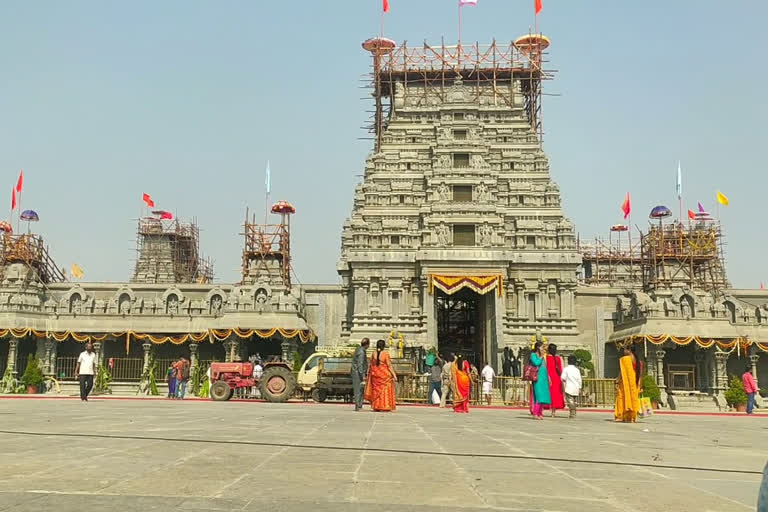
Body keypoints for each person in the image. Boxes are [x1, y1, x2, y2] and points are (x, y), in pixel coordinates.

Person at [364, 339, 396, 412]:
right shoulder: (385, 354)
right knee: (384, 390)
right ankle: (384, 405)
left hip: (375, 375)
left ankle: (376, 405)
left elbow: (371, 363)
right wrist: (394, 375)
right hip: (384, 375)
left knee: (376, 390)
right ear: (384, 346)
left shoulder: (373, 353)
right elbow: (389, 365)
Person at [614, 344, 641, 422]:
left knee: (622, 397)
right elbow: (640, 373)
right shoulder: (637, 360)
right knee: (633, 399)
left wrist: (617, 380)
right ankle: (631, 417)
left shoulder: (626, 359)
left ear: (629, 350)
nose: (624, 351)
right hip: (635, 382)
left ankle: (621, 415)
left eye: (625, 349)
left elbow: (622, 372)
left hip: (626, 382)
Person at [529, 341, 550, 420]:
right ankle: (535, 413)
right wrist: (541, 357)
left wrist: (548, 377)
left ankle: (540, 412)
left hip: (544, 378)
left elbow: (545, 367)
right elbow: (536, 363)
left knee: (543, 396)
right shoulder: (533, 355)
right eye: (542, 347)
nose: (543, 348)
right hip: (537, 378)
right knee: (538, 396)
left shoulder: (543, 357)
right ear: (538, 347)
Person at [546, 344, 565, 417]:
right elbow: (561, 369)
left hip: (550, 378)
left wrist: (548, 377)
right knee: (556, 395)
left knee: (550, 395)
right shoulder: (558, 358)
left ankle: (549, 409)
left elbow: (546, 369)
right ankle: (553, 411)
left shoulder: (546, 358)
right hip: (557, 378)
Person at [351, 338, 370, 411]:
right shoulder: (361, 352)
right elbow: (360, 364)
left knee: (360, 390)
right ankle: (358, 406)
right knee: (358, 390)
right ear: (367, 344)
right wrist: (363, 375)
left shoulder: (358, 349)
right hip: (358, 373)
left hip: (356, 372)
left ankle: (359, 405)